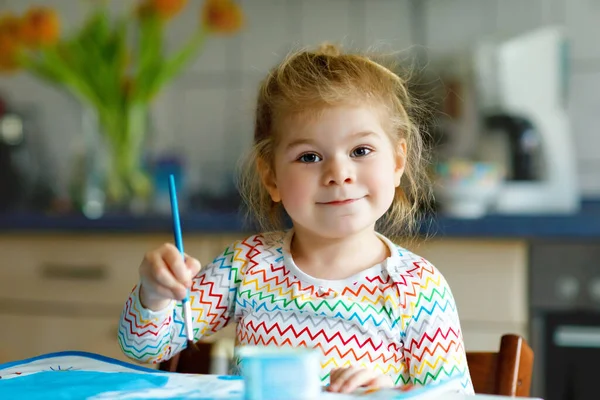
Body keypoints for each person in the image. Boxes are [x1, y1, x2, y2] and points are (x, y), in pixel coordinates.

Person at [118, 43, 474, 395]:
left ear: (397, 163)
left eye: (360, 151)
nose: (339, 173)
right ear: (271, 177)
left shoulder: (418, 287)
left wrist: (392, 394)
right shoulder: (246, 267)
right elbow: (146, 347)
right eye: (309, 157)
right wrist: (155, 295)